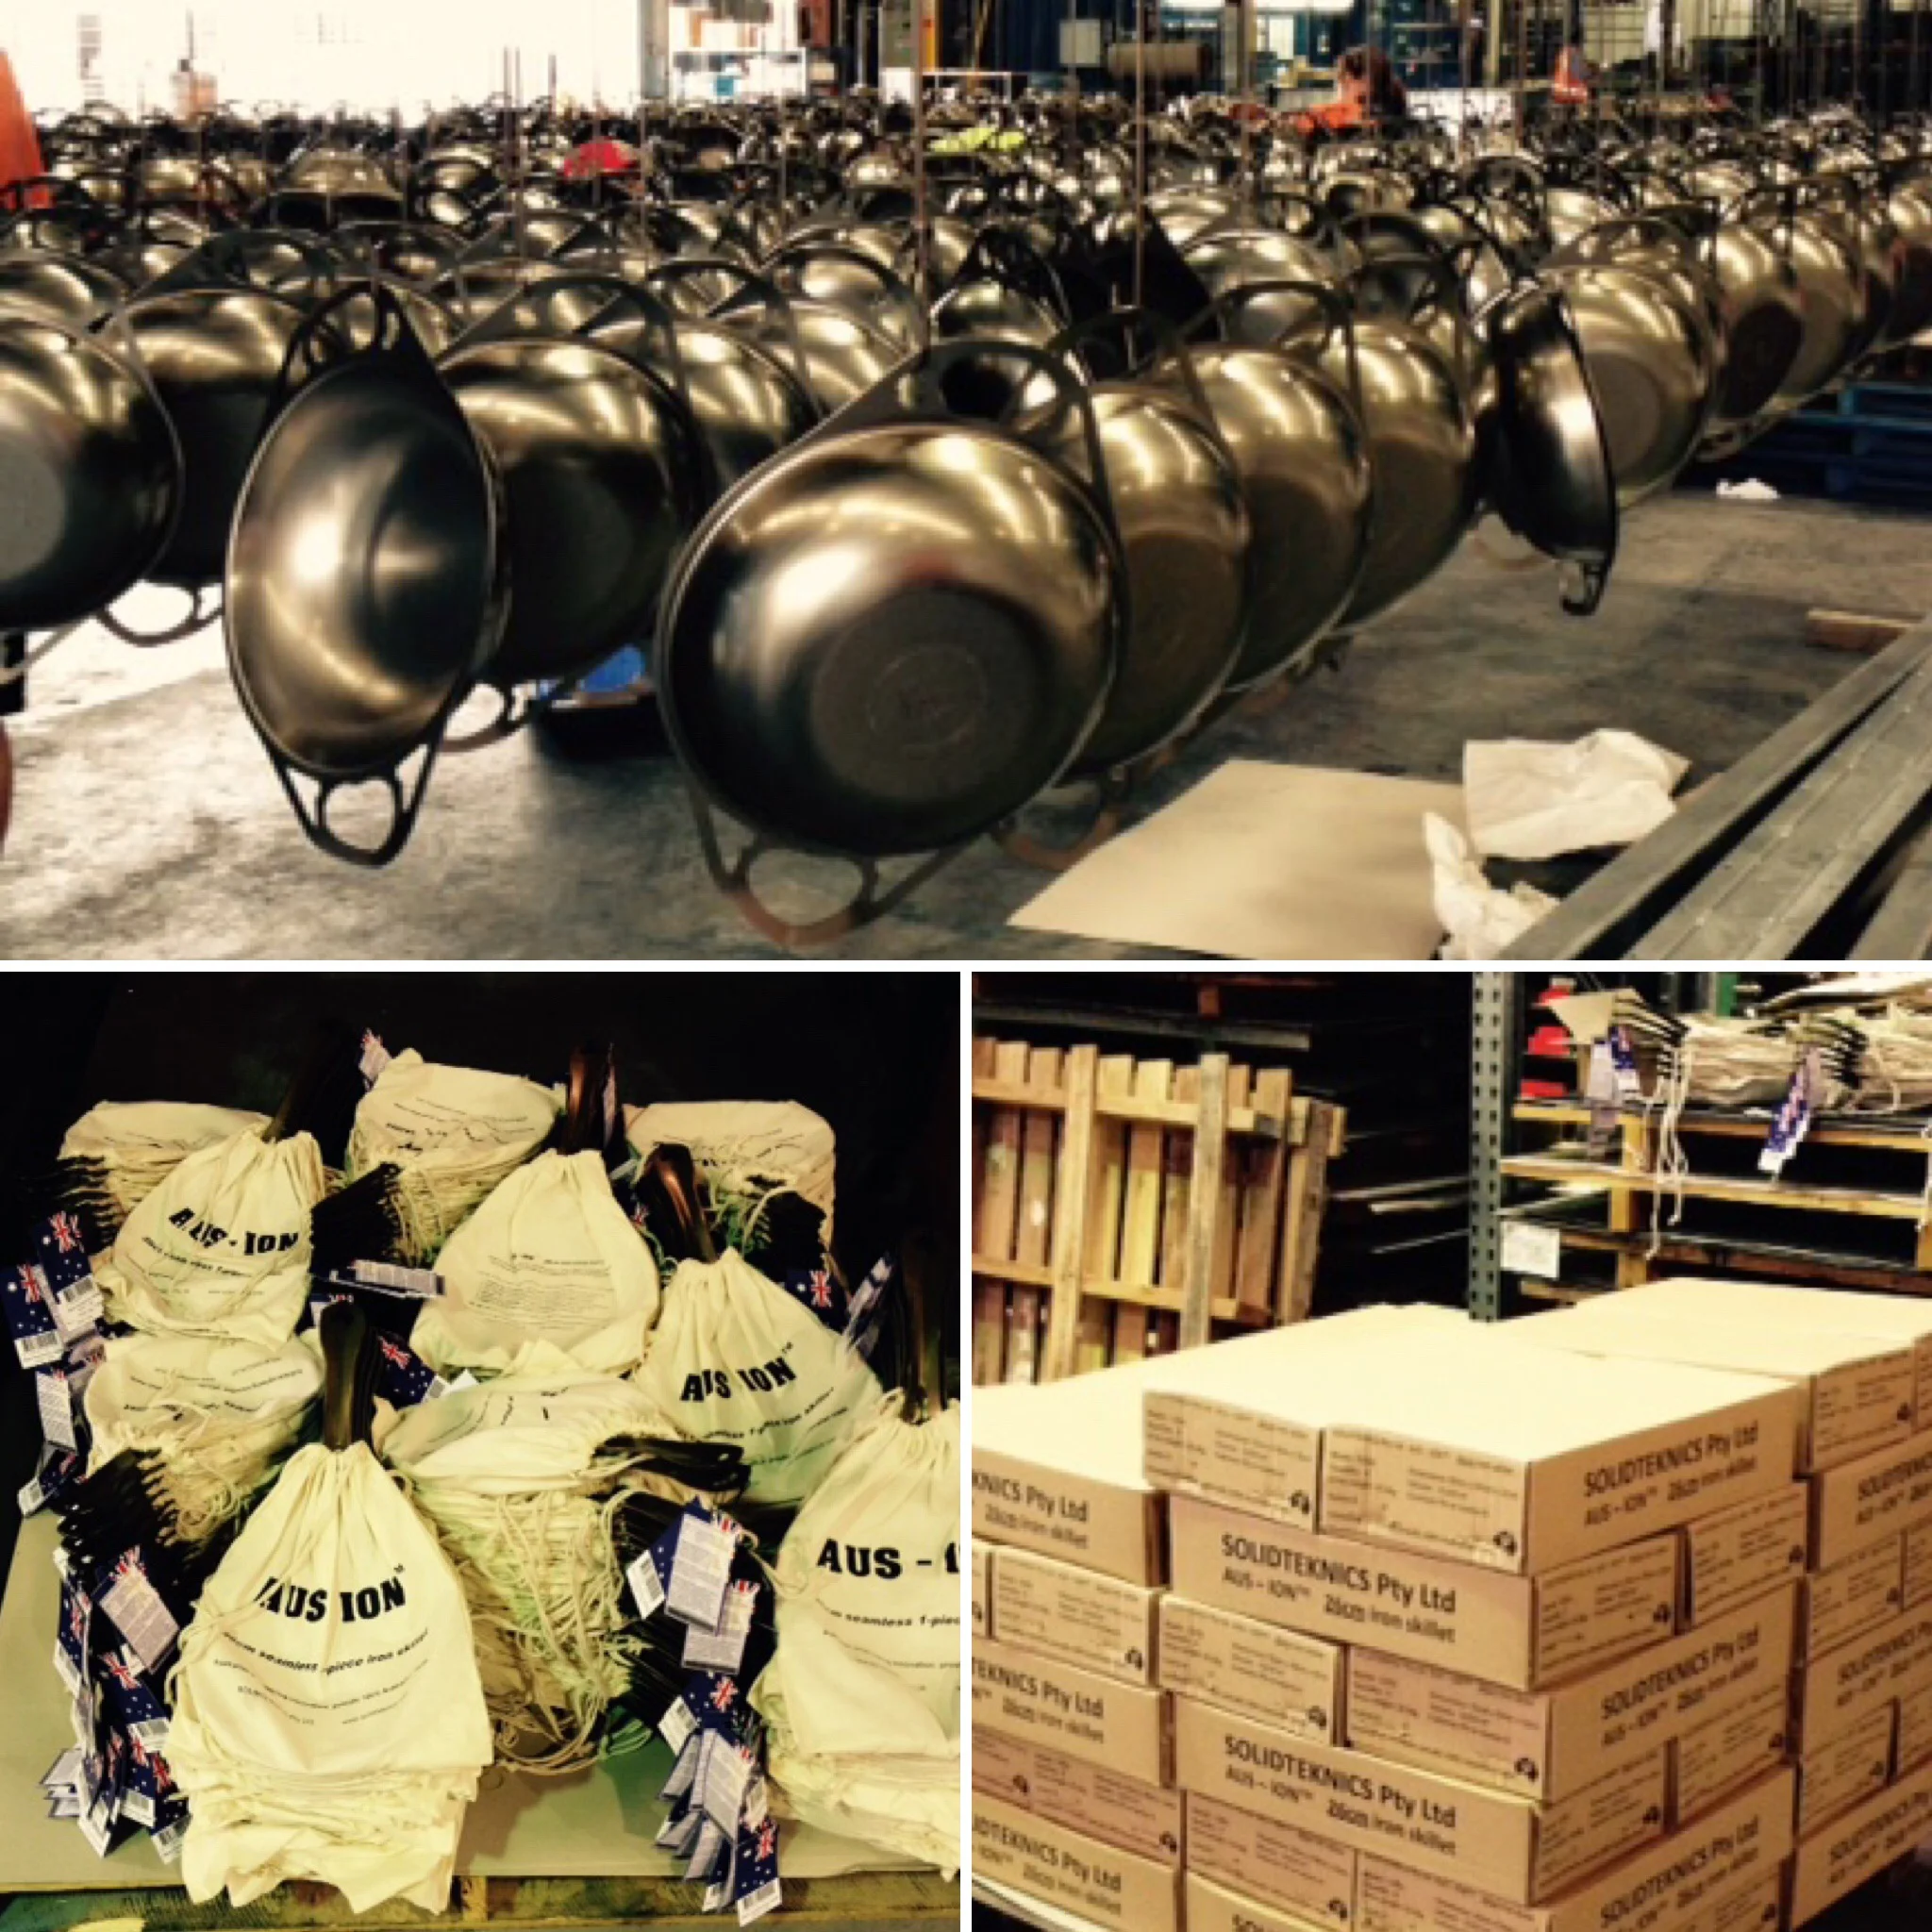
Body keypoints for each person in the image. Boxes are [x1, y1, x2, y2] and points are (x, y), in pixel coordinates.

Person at [1295, 44, 1408, 135]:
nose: (1341, 87)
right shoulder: (1398, 118)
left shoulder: (1358, 121)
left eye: (1344, 80)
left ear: (1364, 80)